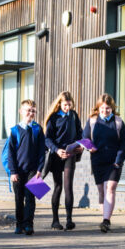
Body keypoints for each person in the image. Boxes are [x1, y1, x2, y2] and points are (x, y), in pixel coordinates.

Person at [82, 93, 125, 233]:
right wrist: (89, 147)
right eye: (102, 108)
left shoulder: (118, 122)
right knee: (101, 191)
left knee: (110, 187)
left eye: (108, 108)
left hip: (114, 161)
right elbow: (84, 138)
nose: (105, 110)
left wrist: (119, 160)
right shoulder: (92, 121)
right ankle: (104, 218)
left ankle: (106, 221)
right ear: (98, 108)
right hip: (97, 161)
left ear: (112, 108)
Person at [43, 91, 84, 231]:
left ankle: (69, 220)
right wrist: (57, 150)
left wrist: (80, 146)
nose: (67, 107)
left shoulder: (74, 115)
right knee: (58, 186)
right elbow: (47, 138)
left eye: (69, 104)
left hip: (70, 155)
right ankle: (55, 220)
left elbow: (80, 133)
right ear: (59, 104)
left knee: (68, 187)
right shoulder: (53, 118)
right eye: (65, 105)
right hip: (56, 155)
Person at [4, 100, 46, 235]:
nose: (31, 113)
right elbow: (10, 153)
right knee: (18, 198)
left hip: (33, 170)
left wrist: (40, 169)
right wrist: (13, 172)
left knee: (31, 197)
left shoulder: (38, 129)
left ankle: (29, 224)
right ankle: (19, 224)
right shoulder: (15, 131)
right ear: (21, 111)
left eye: (33, 110)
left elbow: (41, 151)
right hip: (18, 171)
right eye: (28, 110)